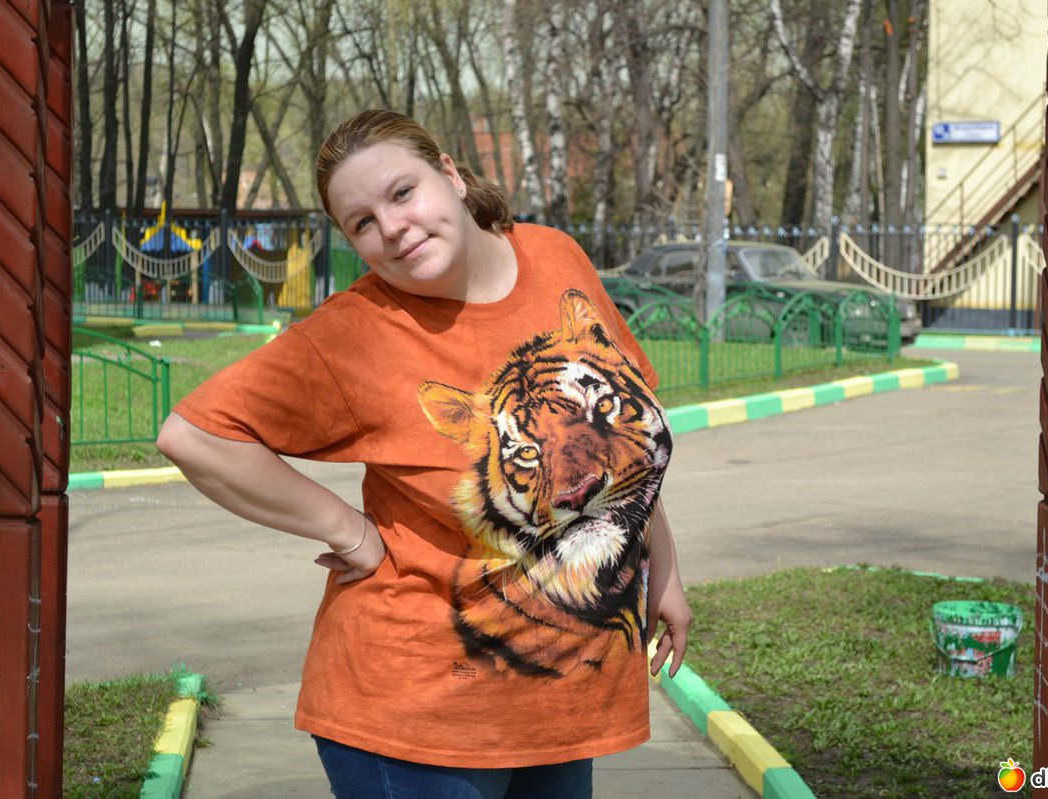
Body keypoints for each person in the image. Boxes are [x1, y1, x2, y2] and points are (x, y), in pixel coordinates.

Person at [156, 108, 691, 799]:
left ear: (451, 175)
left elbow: (627, 442)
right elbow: (194, 435)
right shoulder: (357, 332)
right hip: (415, 718)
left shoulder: (557, 257)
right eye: (362, 223)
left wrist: (664, 571)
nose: (392, 228)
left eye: (402, 192)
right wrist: (348, 531)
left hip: (562, 705)